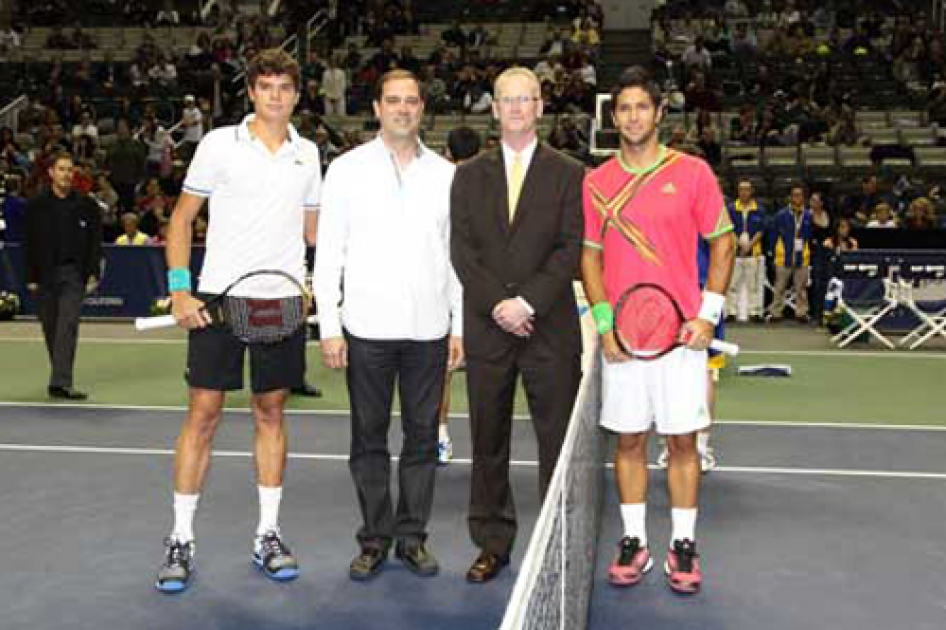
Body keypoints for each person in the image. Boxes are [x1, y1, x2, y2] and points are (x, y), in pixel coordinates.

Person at [154, 49, 322, 594]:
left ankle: (268, 534)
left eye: (285, 87)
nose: (276, 96)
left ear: (297, 94)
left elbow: (317, 233)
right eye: (266, 86)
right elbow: (181, 220)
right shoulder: (218, 144)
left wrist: (320, 281)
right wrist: (180, 292)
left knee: (271, 412)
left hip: (281, 302)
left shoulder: (309, 154)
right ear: (251, 91)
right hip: (219, 300)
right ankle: (180, 538)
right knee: (203, 413)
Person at [580, 66, 734, 594]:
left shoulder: (692, 173)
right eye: (623, 108)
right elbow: (590, 257)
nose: (632, 116)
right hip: (622, 340)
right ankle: (634, 541)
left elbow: (724, 243)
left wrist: (707, 315)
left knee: (683, 441)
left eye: (641, 107)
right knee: (628, 440)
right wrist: (604, 324)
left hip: (681, 339)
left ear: (660, 113)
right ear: (613, 116)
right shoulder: (596, 183)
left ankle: (684, 545)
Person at [315, 69, 463, 581]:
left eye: (411, 101)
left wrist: (459, 326)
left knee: (423, 439)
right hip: (366, 329)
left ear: (422, 109)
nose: (402, 109)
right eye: (393, 101)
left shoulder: (446, 175)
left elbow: (455, 258)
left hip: (428, 331)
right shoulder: (346, 170)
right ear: (377, 108)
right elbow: (328, 250)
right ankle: (375, 538)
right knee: (368, 440)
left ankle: (412, 538)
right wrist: (329, 327)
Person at [451, 67, 585, 584]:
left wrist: (527, 302)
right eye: (507, 99)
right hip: (488, 330)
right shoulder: (467, 175)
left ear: (540, 106)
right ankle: (491, 542)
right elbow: (462, 253)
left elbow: (570, 248)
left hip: (548, 328)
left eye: (525, 99)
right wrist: (499, 306)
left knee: (556, 443)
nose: (515, 108)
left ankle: (558, 545)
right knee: (488, 441)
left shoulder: (571, 174)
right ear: (494, 108)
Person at [23, 151, 103, 401]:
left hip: (73, 275)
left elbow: (95, 242)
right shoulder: (36, 205)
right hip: (44, 275)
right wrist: (31, 276)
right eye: (61, 169)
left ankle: (60, 382)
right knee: (51, 328)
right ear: (51, 173)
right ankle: (60, 375)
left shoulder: (86, 205)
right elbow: (29, 243)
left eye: (70, 170)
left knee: (67, 326)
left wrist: (92, 273)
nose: (66, 174)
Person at [437, 125, 482, 465]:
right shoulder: (488, 183)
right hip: (475, 287)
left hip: (457, 289)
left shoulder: (436, 180)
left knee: (443, 369)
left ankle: (439, 435)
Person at [769, 184, 814, 323]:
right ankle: (776, 312)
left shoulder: (808, 215)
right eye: (794, 195)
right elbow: (773, 234)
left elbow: (811, 235)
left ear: (803, 197)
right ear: (790, 197)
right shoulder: (781, 215)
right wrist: (773, 251)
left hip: (803, 256)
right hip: (783, 255)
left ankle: (801, 312)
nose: (797, 197)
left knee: (801, 287)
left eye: (800, 195)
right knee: (780, 286)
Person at [726, 179, 765, 322]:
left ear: (751, 191)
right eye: (741, 189)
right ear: (738, 191)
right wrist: (740, 244)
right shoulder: (731, 208)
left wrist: (749, 245)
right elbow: (728, 228)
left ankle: (754, 312)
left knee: (753, 285)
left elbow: (761, 231)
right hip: (735, 252)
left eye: (747, 189)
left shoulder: (758, 209)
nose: (744, 192)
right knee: (732, 284)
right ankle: (731, 311)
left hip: (753, 251)